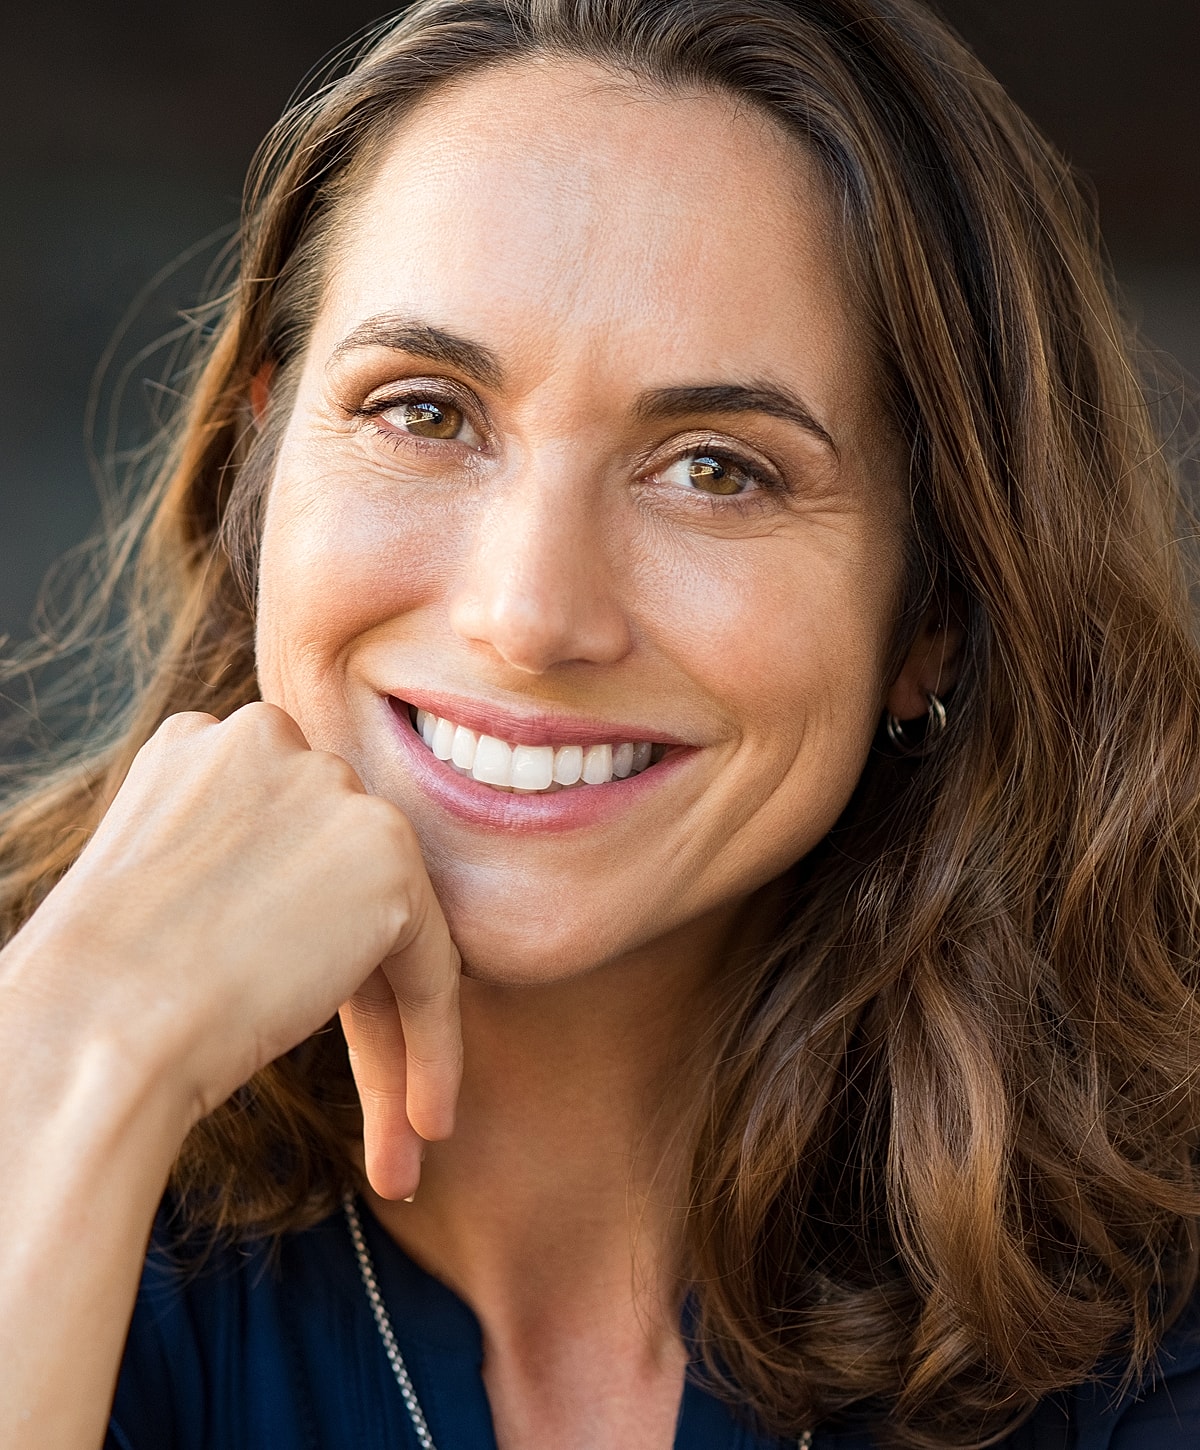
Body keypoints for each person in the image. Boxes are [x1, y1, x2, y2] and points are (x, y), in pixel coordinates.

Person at [2, 0, 1199, 1445]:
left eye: (715, 467)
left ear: (931, 608)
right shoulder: (58, 1093)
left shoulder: (1145, 1308)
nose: (530, 613)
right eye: (425, 412)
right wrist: (76, 1052)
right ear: (264, 463)